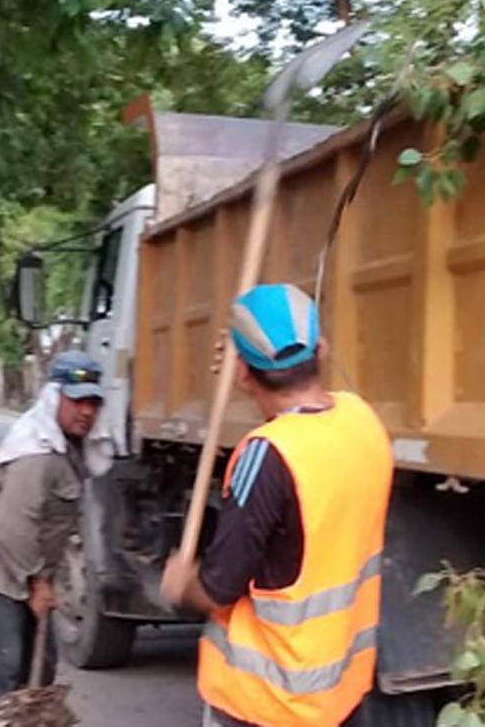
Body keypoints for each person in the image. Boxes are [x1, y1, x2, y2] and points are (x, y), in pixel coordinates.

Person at [161, 284, 394, 727]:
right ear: (321, 350)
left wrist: (181, 586)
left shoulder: (266, 456)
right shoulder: (362, 420)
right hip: (339, 696)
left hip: (266, 703)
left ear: (244, 374)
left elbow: (218, 588)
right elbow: (309, 422)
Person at [0, 351, 104, 699]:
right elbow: (10, 527)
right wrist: (38, 584)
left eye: (94, 403)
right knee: (5, 672)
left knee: (40, 671)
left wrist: (43, 579)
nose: (86, 411)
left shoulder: (70, 449)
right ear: (54, 398)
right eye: (77, 401)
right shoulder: (36, 452)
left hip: (24, 567)